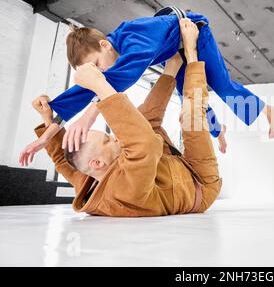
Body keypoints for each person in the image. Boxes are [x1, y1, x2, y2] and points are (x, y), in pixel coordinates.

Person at [20, 18, 221, 217]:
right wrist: (100, 85)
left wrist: (48, 122)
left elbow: (62, 160)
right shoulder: (125, 190)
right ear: (98, 163)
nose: (115, 136)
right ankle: (190, 53)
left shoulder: (89, 174)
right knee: (190, 117)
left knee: (144, 121)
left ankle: (173, 66)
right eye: (108, 140)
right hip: (200, 182)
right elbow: (145, 144)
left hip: (163, 166)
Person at [21, 9, 274, 158]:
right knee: (189, 103)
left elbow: (118, 82)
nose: (99, 71)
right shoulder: (112, 53)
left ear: (104, 45)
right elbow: (86, 89)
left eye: (97, 64)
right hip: (174, 50)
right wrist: (46, 136)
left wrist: (88, 117)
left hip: (194, 31)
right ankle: (218, 131)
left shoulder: (135, 39)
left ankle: (268, 110)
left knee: (220, 84)